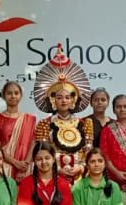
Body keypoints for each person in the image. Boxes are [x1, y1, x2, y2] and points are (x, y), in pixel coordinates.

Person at [33, 45, 94, 182]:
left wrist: (81, 167)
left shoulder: (85, 123)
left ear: (73, 100)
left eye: (67, 97)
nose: (64, 101)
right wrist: (56, 169)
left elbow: (89, 151)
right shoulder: (44, 124)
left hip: (80, 177)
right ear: (53, 100)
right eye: (59, 97)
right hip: (54, 175)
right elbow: (42, 153)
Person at [0, 81, 36, 180]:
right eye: (9, 93)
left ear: (21, 95)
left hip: (26, 167)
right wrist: (15, 163)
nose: (13, 96)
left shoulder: (29, 119)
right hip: (5, 165)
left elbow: (33, 144)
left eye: (16, 93)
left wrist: (25, 165)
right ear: (3, 95)